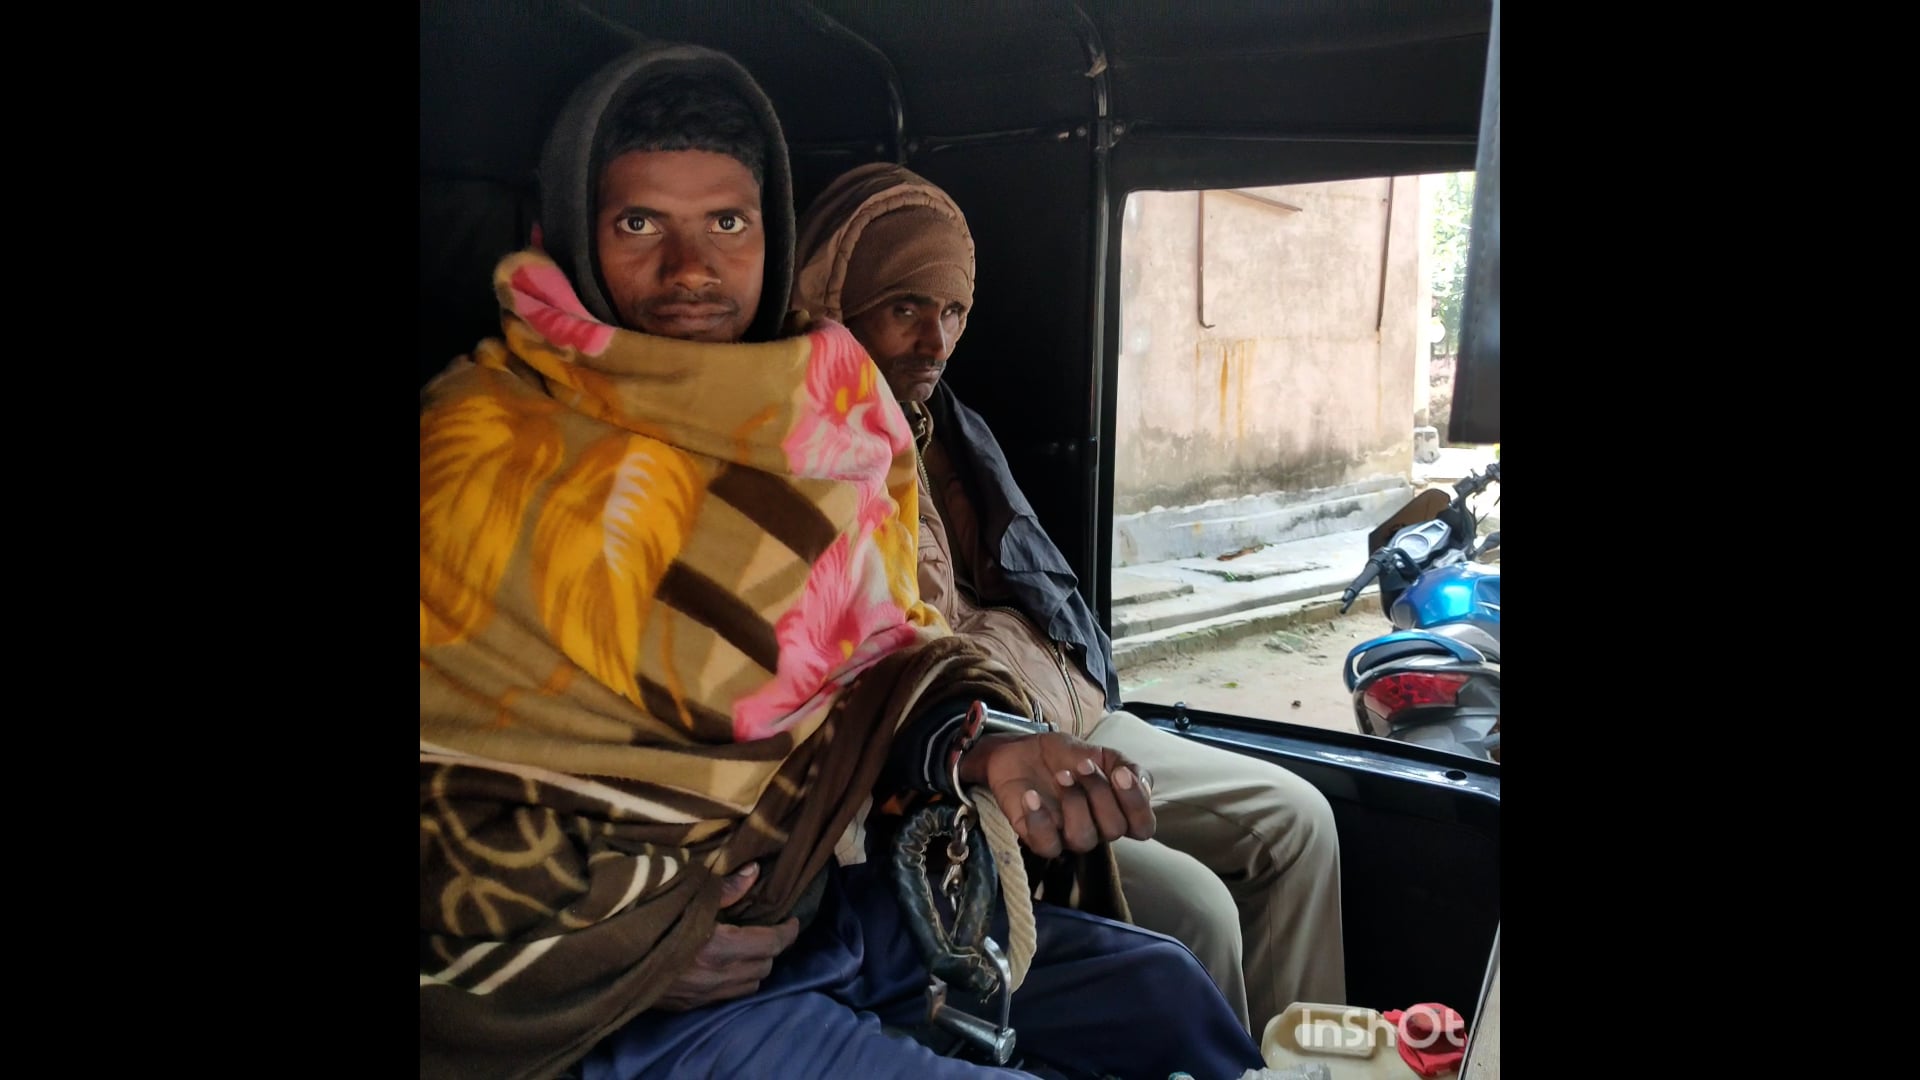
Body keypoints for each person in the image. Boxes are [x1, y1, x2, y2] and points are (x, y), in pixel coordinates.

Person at [418, 43, 1269, 1080]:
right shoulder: (476, 450)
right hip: (637, 993)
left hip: (820, 913)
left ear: (770, 233)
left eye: (727, 223)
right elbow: (451, 789)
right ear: (573, 233)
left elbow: (877, 667)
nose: (691, 269)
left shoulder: (825, 412)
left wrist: (980, 744)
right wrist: (632, 949)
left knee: (1163, 992)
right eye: (640, 224)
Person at [793, 163, 1349, 1033]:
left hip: (1067, 704)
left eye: (954, 312)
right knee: (1198, 912)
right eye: (904, 308)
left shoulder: (949, 427)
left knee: (1299, 819)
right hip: (967, 757)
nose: (936, 341)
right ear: (835, 302)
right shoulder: (803, 453)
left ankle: (1314, 1062)